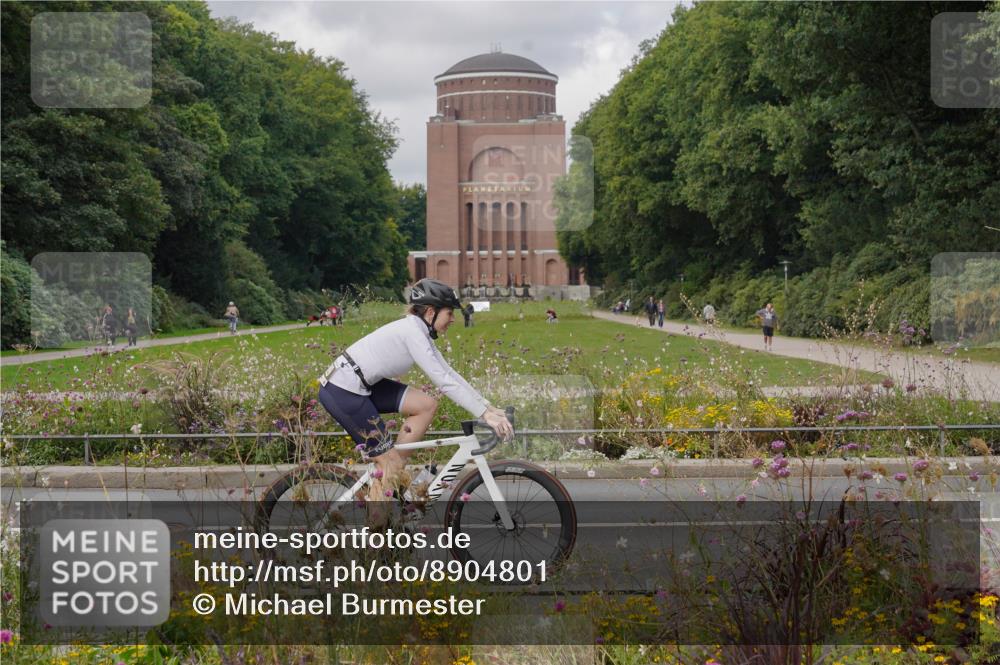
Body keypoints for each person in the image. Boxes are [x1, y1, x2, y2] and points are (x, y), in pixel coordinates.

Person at [316, 278, 513, 522]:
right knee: (388, 465)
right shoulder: (412, 333)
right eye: (449, 313)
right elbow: (443, 381)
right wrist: (484, 415)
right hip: (342, 389)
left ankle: (394, 474)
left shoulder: (419, 332)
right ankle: (378, 539)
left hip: (361, 384)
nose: (453, 319)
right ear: (431, 312)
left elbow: (450, 373)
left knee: (426, 405)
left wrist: (489, 408)